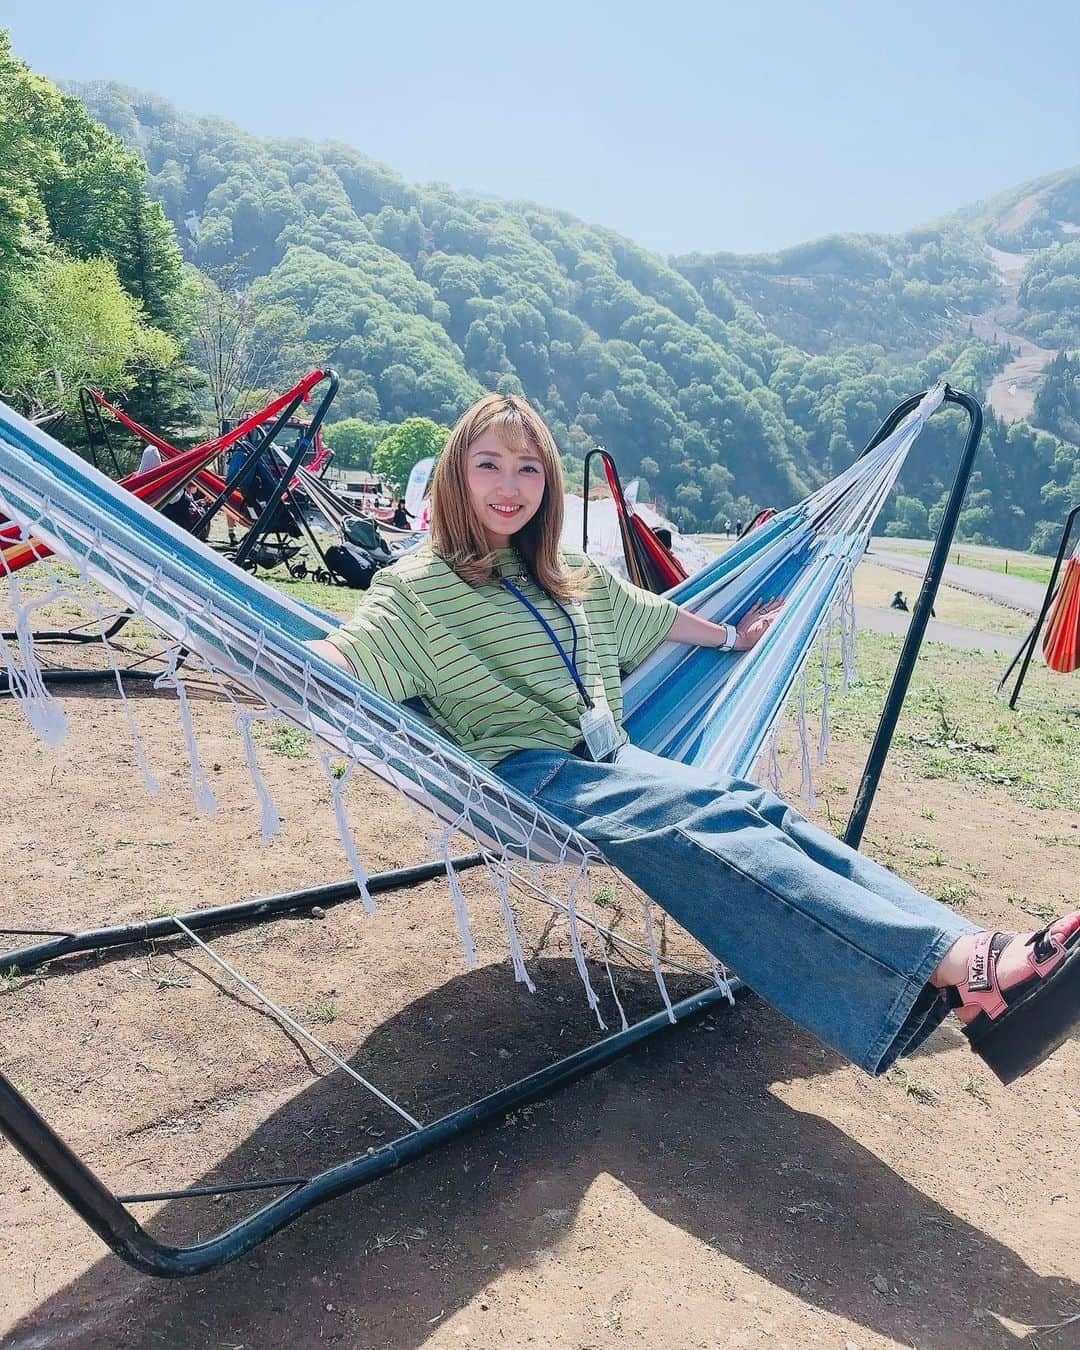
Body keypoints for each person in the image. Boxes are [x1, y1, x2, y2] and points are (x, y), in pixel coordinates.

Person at [308, 393, 1079, 1087]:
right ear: (455, 475)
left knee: (746, 803)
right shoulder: (417, 586)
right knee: (703, 820)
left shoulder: (565, 570)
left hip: (615, 756)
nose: (509, 487)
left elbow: (654, 614)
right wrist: (276, 654)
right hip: (530, 773)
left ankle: (969, 951)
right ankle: (966, 968)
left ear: (547, 487)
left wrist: (732, 637)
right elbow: (353, 650)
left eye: (528, 469)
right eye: (488, 465)